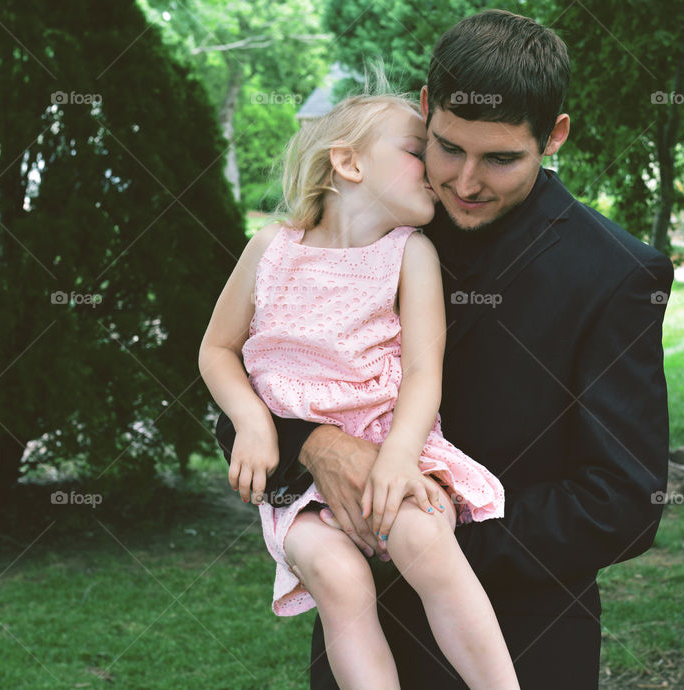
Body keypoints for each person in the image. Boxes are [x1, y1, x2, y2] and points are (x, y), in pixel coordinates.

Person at [216, 9, 674, 689]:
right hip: (359, 640)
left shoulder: (616, 274)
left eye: (500, 159)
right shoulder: (360, 227)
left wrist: (419, 535)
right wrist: (314, 446)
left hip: (521, 641)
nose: (463, 182)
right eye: (448, 148)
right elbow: (248, 394)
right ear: (426, 111)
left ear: (554, 137)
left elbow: (622, 502)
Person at [199, 93, 520, 689]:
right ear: (348, 163)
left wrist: (398, 457)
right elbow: (216, 349)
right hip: (295, 479)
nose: (436, 169)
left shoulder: (410, 254)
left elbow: (425, 373)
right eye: (416, 151)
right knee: (339, 581)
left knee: (426, 540)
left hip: (389, 446)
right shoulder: (272, 248)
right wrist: (251, 421)